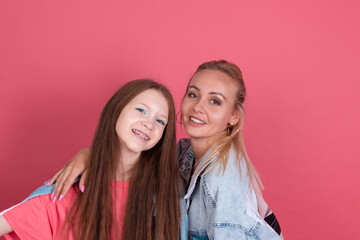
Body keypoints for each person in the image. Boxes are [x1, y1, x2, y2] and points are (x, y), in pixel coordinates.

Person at [30, 60, 283, 239]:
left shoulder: (223, 177)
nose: (198, 107)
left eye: (215, 101)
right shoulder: (184, 154)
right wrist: (89, 155)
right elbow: (135, 163)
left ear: (233, 117)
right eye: (193, 95)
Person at [0, 79, 182, 240]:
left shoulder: (164, 193)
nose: (148, 123)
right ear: (116, 110)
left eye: (160, 121)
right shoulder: (65, 191)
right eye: (141, 110)